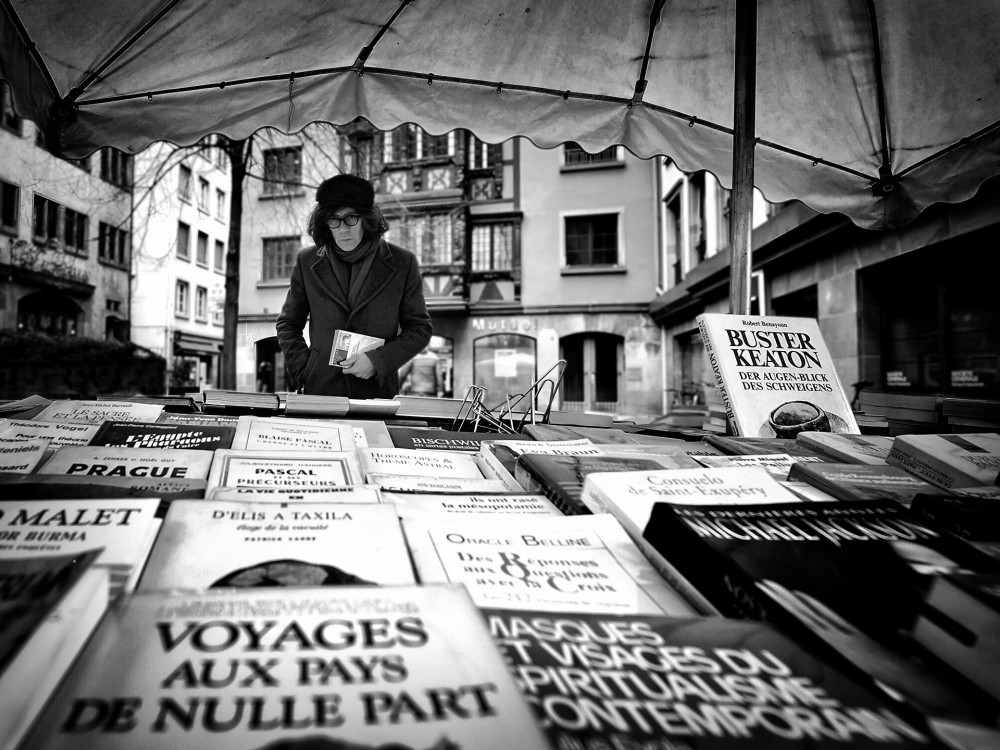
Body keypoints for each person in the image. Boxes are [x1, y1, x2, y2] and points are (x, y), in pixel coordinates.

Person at [276, 174, 432, 398]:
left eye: (351, 218)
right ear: (324, 222)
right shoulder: (306, 261)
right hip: (321, 392)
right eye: (334, 220)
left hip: (376, 394)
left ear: (367, 219)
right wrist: (304, 371)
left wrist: (378, 361)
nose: (342, 229)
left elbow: (419, 328)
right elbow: (288, 323)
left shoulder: (402, 262)